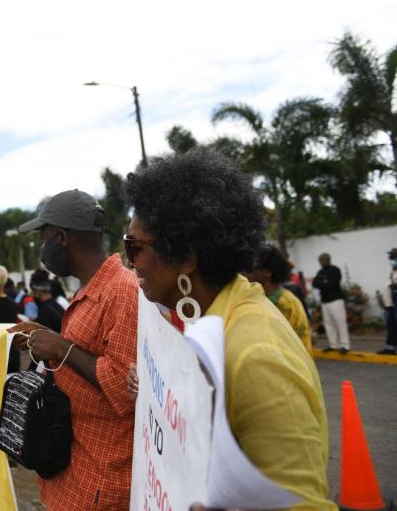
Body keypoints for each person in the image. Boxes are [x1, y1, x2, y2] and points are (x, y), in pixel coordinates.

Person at [124, 149, 333, 510]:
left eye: (135, 246)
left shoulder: (255, 356)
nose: (129, 261)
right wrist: (160, 392)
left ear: (187, 256)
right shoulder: (208, 321)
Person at [7, 189, 138, 511]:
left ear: (61, 237)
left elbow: (124, 384)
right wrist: (48, 342)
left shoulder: (122, 291)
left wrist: (62, 348)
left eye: (43, 237)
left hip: (103, 478)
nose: (42, 248)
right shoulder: (92, 289)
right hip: (75, 469)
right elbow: (86, 355)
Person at [247, 245, 313, 356]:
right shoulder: (263, 298)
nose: (246, 275)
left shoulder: (287, 304)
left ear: (267, 272)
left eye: (250, 270)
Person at [313, 252, 349, 353]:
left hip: (336, 300)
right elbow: (315, 283)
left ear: (327, 260)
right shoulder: (320, 272)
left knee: (340, 322)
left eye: (322, 260)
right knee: (328, 323)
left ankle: (345, 345)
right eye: (319, 261)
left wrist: (323, 283)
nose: (320, 263)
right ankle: (333, 345)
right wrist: (325, 283)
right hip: (325, 301)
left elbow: (334, 283)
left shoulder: (335, 270)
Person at [378, 248, 397, 355]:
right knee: (392, 326)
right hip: (389, 303)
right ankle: (390, 348)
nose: (390, 258)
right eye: (390, 256)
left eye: (393, 256)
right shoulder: (392, 270)